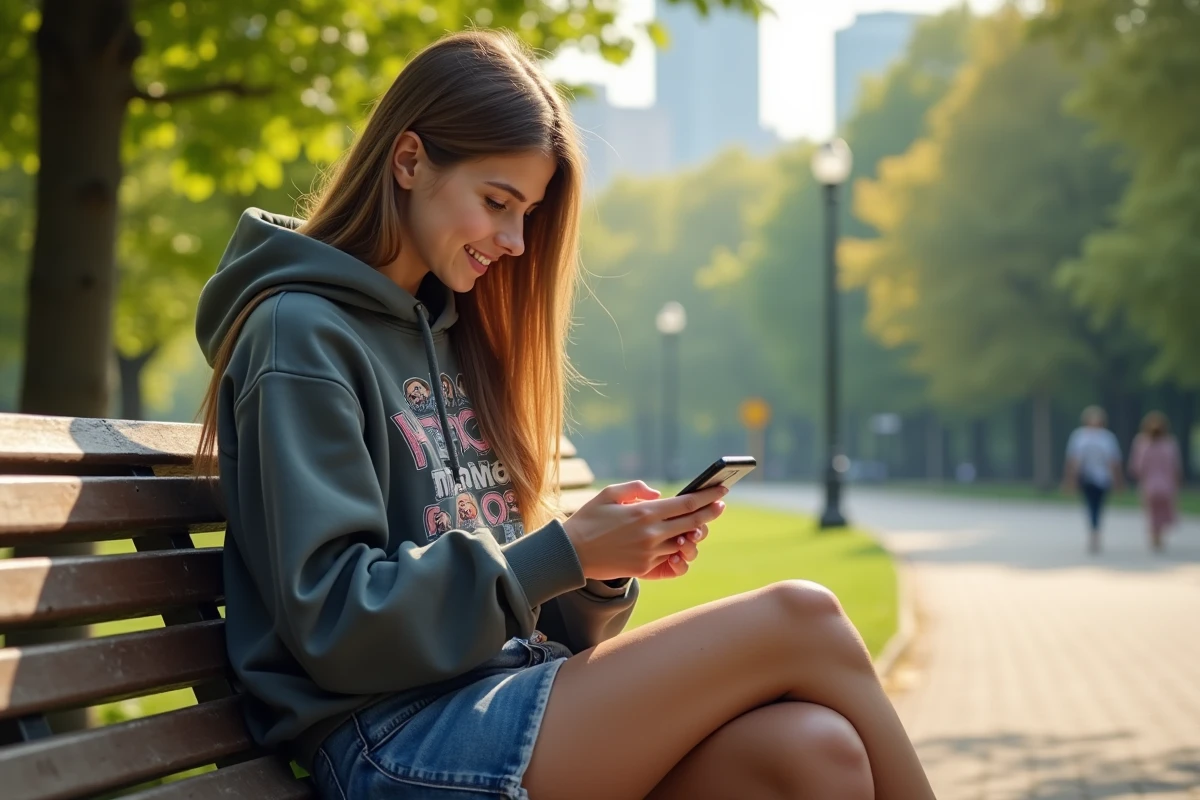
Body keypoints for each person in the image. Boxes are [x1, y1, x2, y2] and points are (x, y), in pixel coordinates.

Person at [194, 30, 933, 799]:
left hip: (485, 697)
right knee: (802, 617)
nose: (514, 242)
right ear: (409, 161)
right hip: (386, 741)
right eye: (497, 203)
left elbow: (519, 617)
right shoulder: (300, 336)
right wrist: (561, 554)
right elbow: (337, 623)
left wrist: (596, 574)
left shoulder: (452, 334)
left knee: (815, 752)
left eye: (528, 214)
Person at [1063, 405, 1124, 553]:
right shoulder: (1080, 436)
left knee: (1098, 506)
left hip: (1103, 478)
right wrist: (1070, 479)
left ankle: (1094, 531)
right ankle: (1094, 532)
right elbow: (1073, 460)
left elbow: (1113, 462)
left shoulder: (1106, 437)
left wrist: (1118, 480)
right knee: (1091, 505)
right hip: (1087, 478)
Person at [1128, 411, 1183, 553]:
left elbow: (1138, 467)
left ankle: (1154, 536)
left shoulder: (1142, 443)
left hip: (1149, 484)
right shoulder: (1170, 444)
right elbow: (1176, 466)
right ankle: (1160, 537)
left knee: (1151, 512)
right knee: (1163, 511)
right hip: (1167, 484)